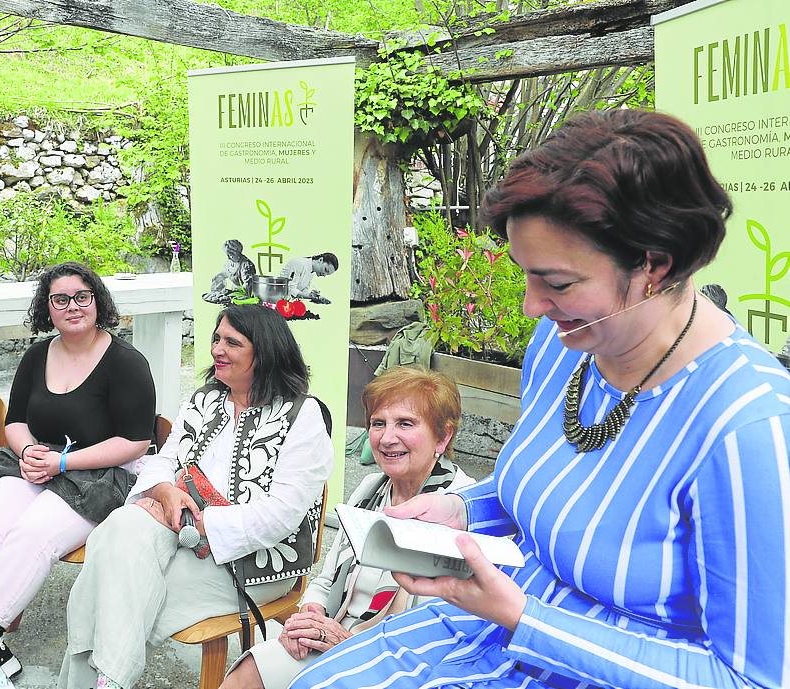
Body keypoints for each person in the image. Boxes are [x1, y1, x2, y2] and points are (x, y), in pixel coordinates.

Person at [289, 110, 790, 689]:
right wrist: (465, 511)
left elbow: (752, 679)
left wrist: (528, 619)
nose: (531, 306)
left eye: (556, 283)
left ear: (655, 264)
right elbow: (546, 490)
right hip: (488, 633)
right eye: (524, 275)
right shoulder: (564, 346)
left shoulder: (749, 427)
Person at [60, 303, 334, 689]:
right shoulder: (204, 399)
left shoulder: (303, 416)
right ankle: (109, 682)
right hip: (179, 531)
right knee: (120, 527)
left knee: (111, 591)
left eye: (232, 343)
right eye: (216, 339)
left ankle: (105, 681)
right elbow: (162, 460)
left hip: (253, 562)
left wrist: (207, 524)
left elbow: (283, 514)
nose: (217, 350)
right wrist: (165, 492)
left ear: (266, 352)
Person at [0, 262, 156, 680]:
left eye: (81, 296)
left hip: (100, 476)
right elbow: (14, 421)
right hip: (40, 465)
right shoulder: (37, 356)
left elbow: (136, 441)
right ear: (46, 308)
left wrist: (63, 461)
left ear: (97, 300)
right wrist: (29, 450)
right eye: (60, 299)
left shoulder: (126, 362)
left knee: (32, 533)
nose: (72, 306)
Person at [222, 367, 473, 689]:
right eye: (378, 423)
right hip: (337, 634)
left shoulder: (461, 509)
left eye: (405, 423)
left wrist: (349, 647)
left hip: (403, 663)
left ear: (443, 436)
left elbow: (439, 629)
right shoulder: (371, 489)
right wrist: (310, 614)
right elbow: (327, 579)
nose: (387, 437)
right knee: (252, 670)